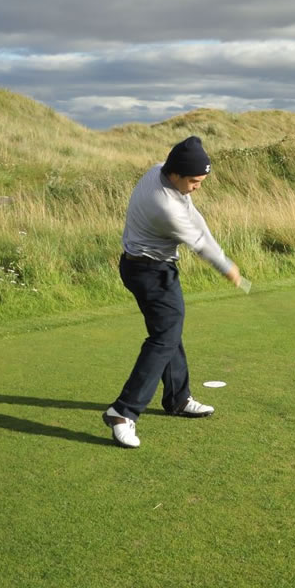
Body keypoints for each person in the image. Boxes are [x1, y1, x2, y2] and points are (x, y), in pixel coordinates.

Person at [103, 136, 242, 448]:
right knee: (164, 337)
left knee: (170, 329)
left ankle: (178, 398)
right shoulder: (164, 206)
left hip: (145, 266)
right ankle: (123, 412)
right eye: (193, 181)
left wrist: (223, 257)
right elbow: (198, 242)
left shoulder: (160, 171)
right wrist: (226, 266)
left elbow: (194, 216)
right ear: (176, 174)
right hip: (150, 272)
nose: (197, 187)